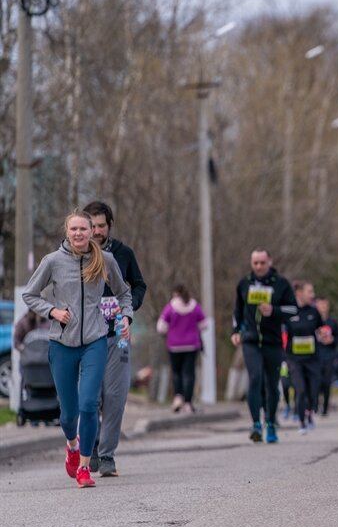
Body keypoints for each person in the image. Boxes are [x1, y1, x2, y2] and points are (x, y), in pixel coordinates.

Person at [22, 209, 133, 488]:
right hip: (62, 344)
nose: (79, 234)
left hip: (95, 340)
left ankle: (84, 467)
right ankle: (72, 445)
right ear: (67, 231)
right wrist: (53, 311)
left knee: (89, 404)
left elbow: (124, 292)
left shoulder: (104, 259)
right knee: (68, 413)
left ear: (91, 232)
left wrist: (126, 317)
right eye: (74, 229)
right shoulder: (53, 262)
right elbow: (29, 294)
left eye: (83, 229)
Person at [82, 201, 147, 478]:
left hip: (117, 334)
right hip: (87, 337)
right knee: (90, 398)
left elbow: (139, 285)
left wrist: (128, 314)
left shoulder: (123, 253)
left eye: (101, 226)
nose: (96, 231)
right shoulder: (76, 255)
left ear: (109, 226)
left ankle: (107, 455)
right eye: (92, 226)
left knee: (115, 396)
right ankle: (92, 446)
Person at [231, 248, 297, 443]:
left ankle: (270, 422)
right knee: (255, 378)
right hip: (251, 341)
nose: (258, 266)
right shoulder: (245, 283)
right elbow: (238, 311)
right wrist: (236, 331)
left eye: (262, 262)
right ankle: (255, 425)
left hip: (273, 342)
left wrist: (273, 310)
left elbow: (292, 309)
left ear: (270, 262)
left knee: (271, 384)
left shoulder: (281, 284)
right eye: (255, 263)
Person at [284, 281, 328, 435]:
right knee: (300, 389)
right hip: (294, 358)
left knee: (313, 390)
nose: (313, 295)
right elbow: (282, 332)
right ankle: (302, 421)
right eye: (309, 292)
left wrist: (324, 334)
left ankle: (309, 412)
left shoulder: (314, 312)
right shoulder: (288, 311)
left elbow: (321, 328)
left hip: (312, 358)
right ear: (299, 293)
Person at [156, 285, 207, 414]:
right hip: (191, 345)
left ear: (175, 294)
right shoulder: (194, 307)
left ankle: (178, 397)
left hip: (174, 345)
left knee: (176, 372)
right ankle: (188, 403)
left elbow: (161, 327)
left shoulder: (170, 308)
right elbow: (204, 324)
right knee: (189, 374)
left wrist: (171, 330)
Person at [315, 297, 338, 415]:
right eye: (320, 305)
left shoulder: (333, 322)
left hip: (329, 356)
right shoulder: (311, 320)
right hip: (315, 356)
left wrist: (332, 340)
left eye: (324, 305)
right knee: (315, 382)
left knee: (326, 382)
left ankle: (325, 408)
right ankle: (314, 407)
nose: (322, 308)